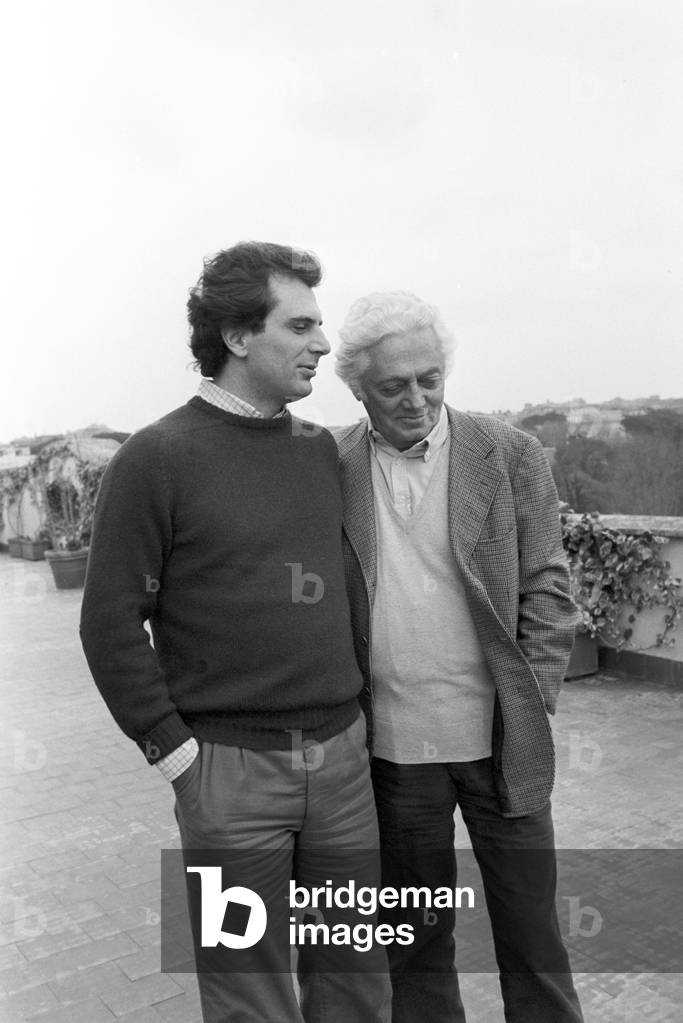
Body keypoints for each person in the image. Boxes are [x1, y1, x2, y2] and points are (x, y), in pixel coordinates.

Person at [80, 242, 390, 1023]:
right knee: (249, 1000)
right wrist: (178, 756)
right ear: (238, 335)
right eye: (300, 325)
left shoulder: (318, 451)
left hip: (343, 767)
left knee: (357, 984)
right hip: (227, 777)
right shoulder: (154, 459)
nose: (323, 343)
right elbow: (109, 620)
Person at [333, 291, 584, 1023]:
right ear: (357, 389)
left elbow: (548, 586)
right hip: (394, 753)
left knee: (533, 938)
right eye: (393, 386)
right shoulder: (330, 464)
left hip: (501, 742)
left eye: (430, 378)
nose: (416, 399)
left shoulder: (508, 453)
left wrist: (532, 696)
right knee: (413, 946)